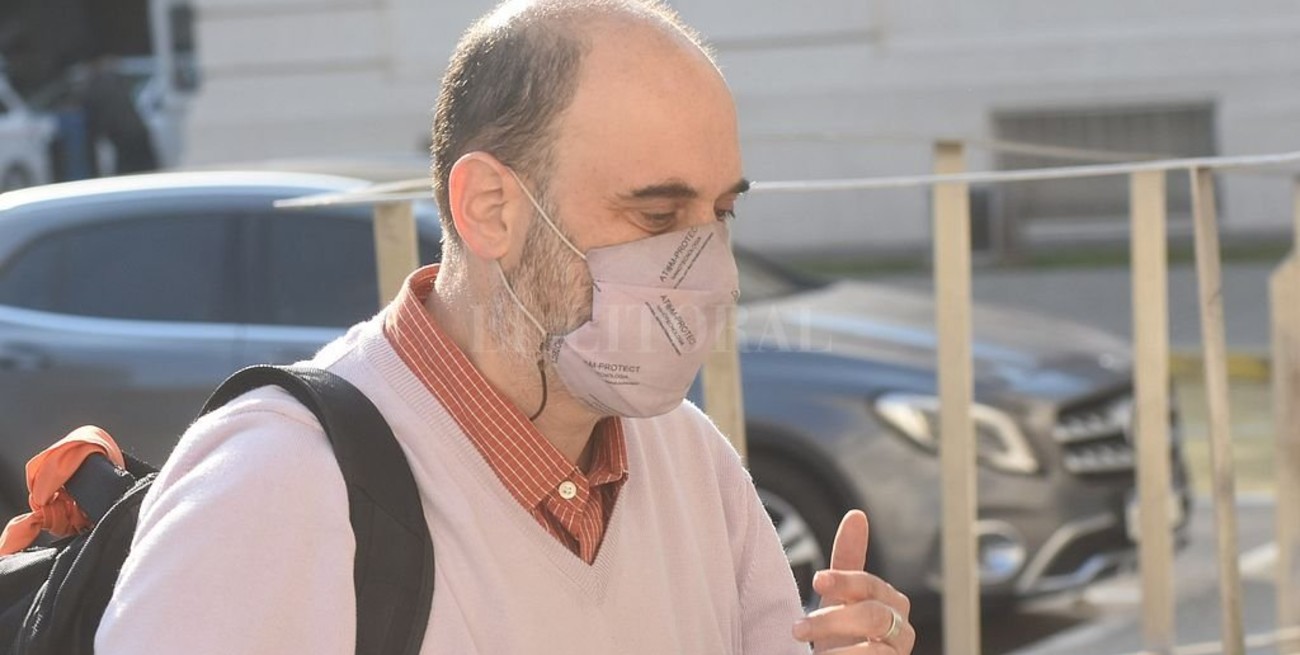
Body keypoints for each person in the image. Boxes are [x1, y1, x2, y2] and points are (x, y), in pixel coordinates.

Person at [95, 1, 915, 653]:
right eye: (658, 215)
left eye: (721, 212)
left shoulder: (693, 462)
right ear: (489, 208)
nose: (712, 275)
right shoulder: (275, 483)